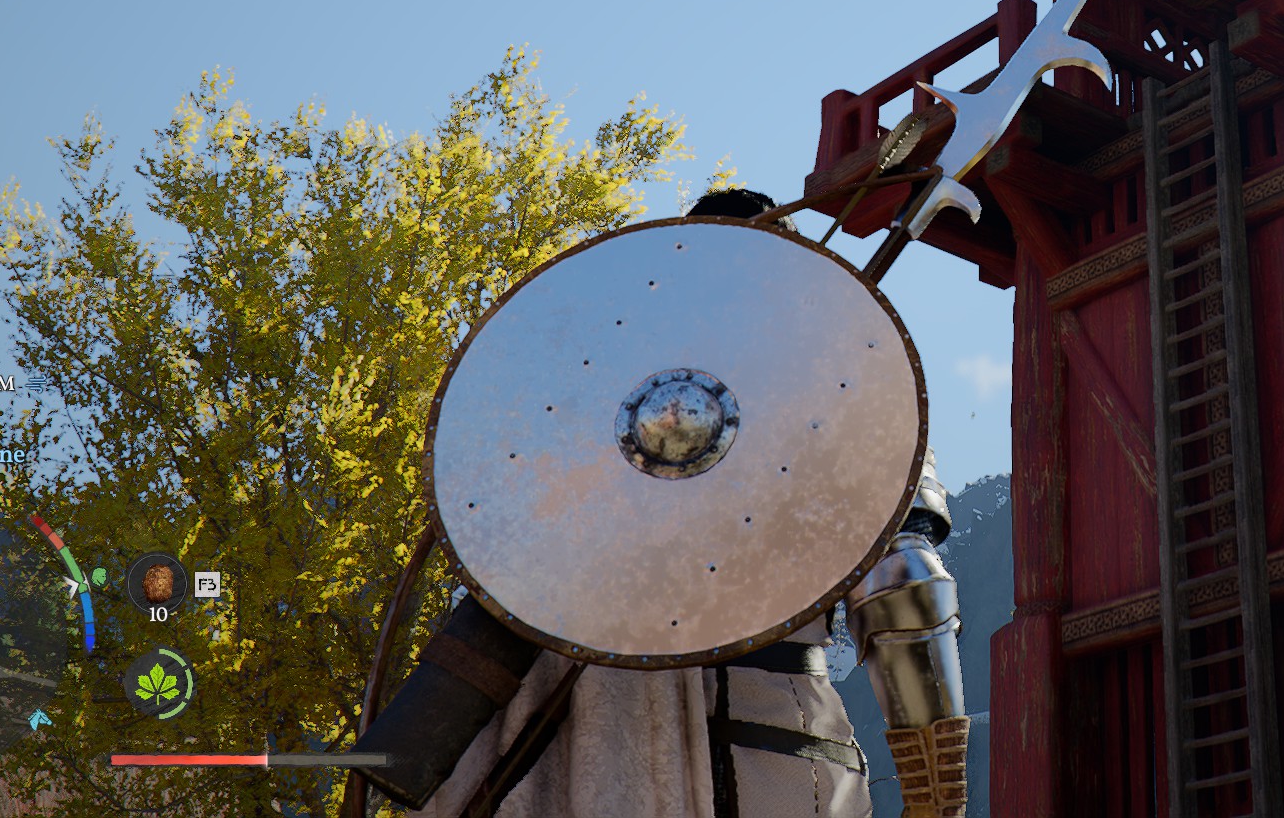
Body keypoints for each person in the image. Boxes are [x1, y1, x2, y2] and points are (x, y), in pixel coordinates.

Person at [400, 189, 969, 818]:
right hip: (764, 753)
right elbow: (904, 589)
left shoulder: (604, 408)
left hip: (607, 750)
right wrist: (937, 797)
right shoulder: (837, 395)